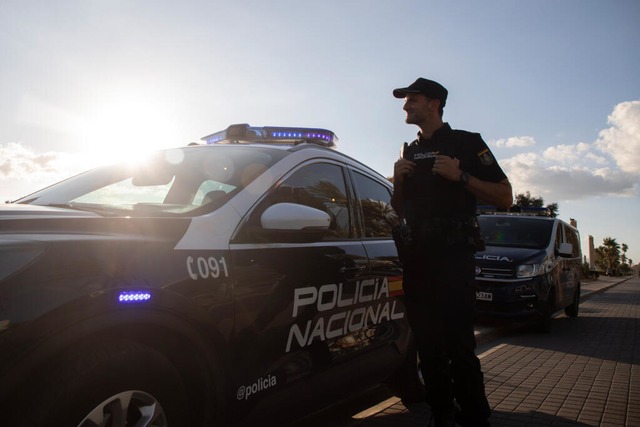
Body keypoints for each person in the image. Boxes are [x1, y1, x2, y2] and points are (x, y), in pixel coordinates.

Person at [391, 78, 512, 427]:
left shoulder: (467, 143)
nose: (405, 106)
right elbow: (399, 210)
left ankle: (475, 417)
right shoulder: (409, 151)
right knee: (428, 350)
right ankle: (442, 415)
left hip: (453, 260)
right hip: (417, 261)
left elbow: (505, 197)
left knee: (459, 348)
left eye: (411, 99)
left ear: (434, 104)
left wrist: (461, 178)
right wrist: (397, 182)